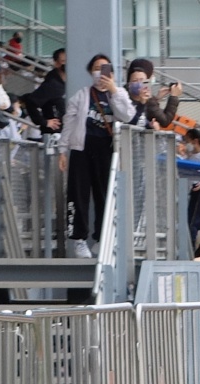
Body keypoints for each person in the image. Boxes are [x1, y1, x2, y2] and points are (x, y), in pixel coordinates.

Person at [61, 53, 133, 256]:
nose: (100, 72)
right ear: (90, 72)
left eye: (104, 68)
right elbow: (69, 122)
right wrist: (62, 149)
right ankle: (79, 239)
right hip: (82, 149)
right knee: (78, 194)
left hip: (107, 150)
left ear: (111, 73)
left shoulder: (118, 93)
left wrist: (114, 90)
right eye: (96, 68)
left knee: (105, 194)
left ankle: (102, 238)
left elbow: (127, 115)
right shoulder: (82, 95)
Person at [23, 46, 66, 130]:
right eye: (63, 61)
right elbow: (31, 102)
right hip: (55, 131)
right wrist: (44, 122)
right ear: (56, 63)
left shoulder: (69, 83)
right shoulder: (52, 84)